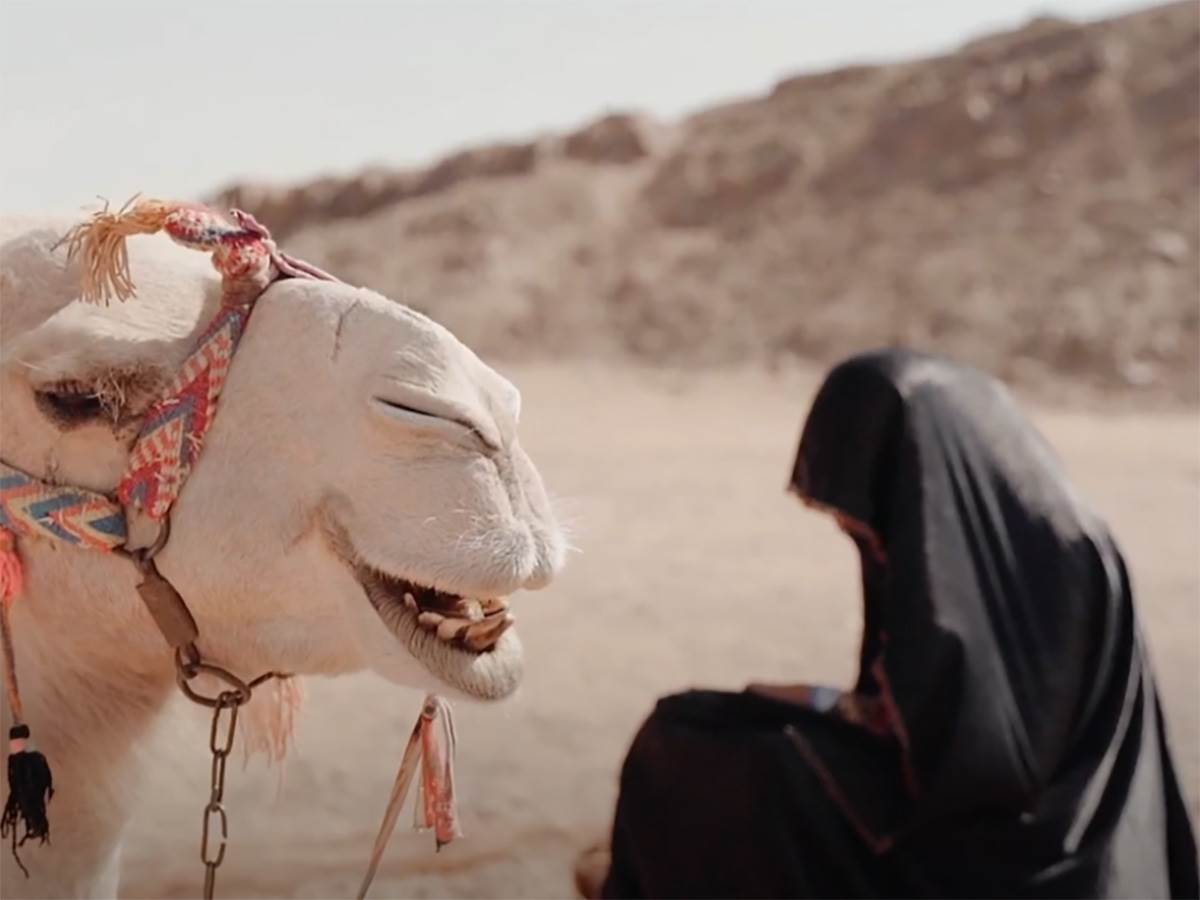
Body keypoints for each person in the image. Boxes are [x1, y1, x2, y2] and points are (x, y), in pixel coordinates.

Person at [579, 350, 1198, 899]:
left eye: (858, 505)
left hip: (1010, 854)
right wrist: (817, 703)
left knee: (685, 745)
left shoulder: (1043, 562)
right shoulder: (1004, 531)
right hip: (1012, 819)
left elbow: (970, 764)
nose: (850, 527)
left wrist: (825, 707)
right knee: (715, 718)